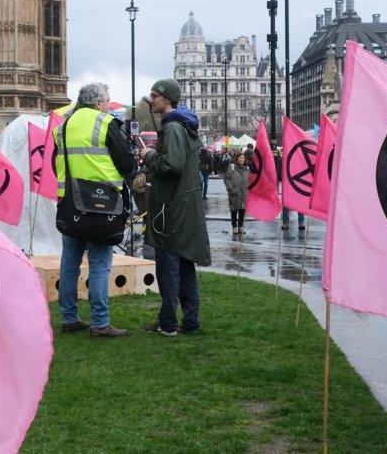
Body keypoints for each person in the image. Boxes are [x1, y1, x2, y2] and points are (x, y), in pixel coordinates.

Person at [55, 83, 134, 338]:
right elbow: (125, 162)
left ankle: (69, 318)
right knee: (99, 264)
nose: (109, 104)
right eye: (107, 100)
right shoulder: (105, 122)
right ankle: (100, 323)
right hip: (103, 204)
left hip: (70, 203)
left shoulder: (64, 126)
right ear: (98, 102)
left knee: (69, 264)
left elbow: (55, 162)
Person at [139, 79, 211, 337]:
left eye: (155, 96)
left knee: (169, 268)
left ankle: (168, 323)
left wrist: (149, 156)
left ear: (167, 99)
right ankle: (191, 321)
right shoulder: (184, 124)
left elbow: (172, 165)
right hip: (183, 205)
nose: (152, 100)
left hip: (171, 208)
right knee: (184, 265)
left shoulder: (172, 128)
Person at [274, 148, 305, 231]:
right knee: (286, 205)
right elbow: (278, 173)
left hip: (296, 185)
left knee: (299, 204)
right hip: (286, 185)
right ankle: (285, 222)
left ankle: (301, 222)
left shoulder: (296, 160)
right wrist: (277, 183)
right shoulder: (281, 161)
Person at [224, 153, 249, 235]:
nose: (241, 160)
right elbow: (226, 179)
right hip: (234, 193)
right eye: (240, 158)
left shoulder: (247, 169)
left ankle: (240, 226)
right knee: (234, 210)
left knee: (242, 211)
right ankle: (234, 226)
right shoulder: (232, 167)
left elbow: (250, 179)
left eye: (243, 158)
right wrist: (230, 189)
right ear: (237, 158)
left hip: (244, 193)